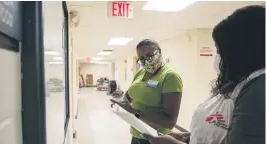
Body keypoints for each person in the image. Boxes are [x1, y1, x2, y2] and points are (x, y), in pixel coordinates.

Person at [142, 5, 265, 144]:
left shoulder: (260, 88)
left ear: (243, 50)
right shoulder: (239, 83)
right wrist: (192, 137)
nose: (217, 57)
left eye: (220, 50)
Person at [111, 39, 183, 144]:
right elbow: (129, 97)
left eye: (150, 55)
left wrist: (135, 112)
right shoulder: (140, 72)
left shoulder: (170, 77)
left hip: (157, 138)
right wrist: (120, 98)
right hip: (137, 133)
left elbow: (170, 122)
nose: (146, 60)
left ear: (159, 51)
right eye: (142, 58)